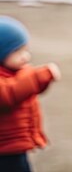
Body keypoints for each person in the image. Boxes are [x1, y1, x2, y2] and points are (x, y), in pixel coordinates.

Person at [0, 15, 61, 172]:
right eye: (18, 51)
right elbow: (8, 95)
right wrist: (39, 76)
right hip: (5, 149)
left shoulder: (16, 72)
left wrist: (44, 81)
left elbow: (29, 89)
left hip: (16, 145)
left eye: (25, 50)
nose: (26, 56)